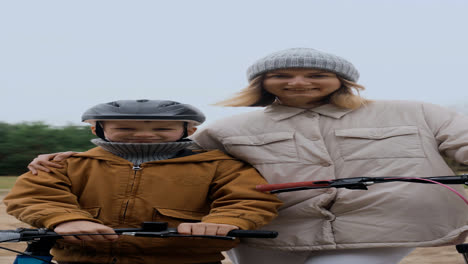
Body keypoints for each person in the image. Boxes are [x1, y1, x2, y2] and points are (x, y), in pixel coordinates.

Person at [26, 48, 468, 264]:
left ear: (344, 80)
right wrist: (73, 156)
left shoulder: (418, 111)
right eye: (282, 75)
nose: (298, 82)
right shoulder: (229, 128)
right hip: (269, 232)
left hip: (377, 229)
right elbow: (159, 158)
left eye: (315, 74)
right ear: (262, 82)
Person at [4, 99, 282, 264]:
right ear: (97, 128)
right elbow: (33, 195)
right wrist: (65, 219)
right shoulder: (65, 164)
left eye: (163, 128)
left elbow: (249, 199)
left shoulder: (222, 166)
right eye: (124, 128)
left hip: (186, 261)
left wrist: (227, 220)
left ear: (190, 130)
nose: (145, 135)